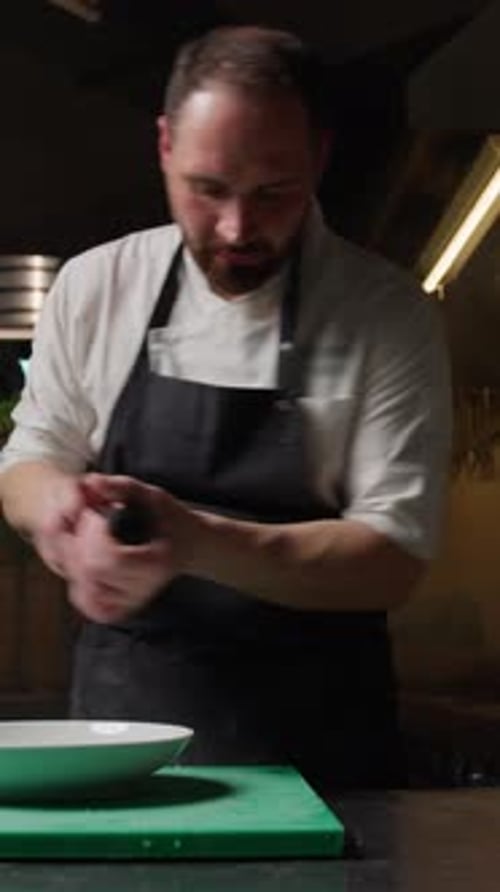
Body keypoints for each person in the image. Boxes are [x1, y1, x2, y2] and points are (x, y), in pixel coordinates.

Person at [0, 25, 451, 792]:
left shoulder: (387, 316)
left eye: (274, 192)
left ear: (321, 157)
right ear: (166, 145)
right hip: (125, 755)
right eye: (209, 190)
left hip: (324, 768)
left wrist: (193, 540)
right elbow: (27, 459)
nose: (238, 229)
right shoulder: (96, 286)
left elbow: (390, 559)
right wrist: (62, 513)